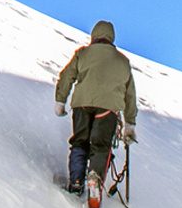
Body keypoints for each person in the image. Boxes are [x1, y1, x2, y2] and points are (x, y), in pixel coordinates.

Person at [54, 20, 137, 195]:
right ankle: (95, 178)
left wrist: (60, 101)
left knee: (80, 141)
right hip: (108, 110)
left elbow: (67, 76)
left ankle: (76, 181)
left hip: (82, 105)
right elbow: (130, 95)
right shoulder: (123, 62)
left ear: (94, 35)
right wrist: (129, 124)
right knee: (101, 145)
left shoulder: (82, 54)